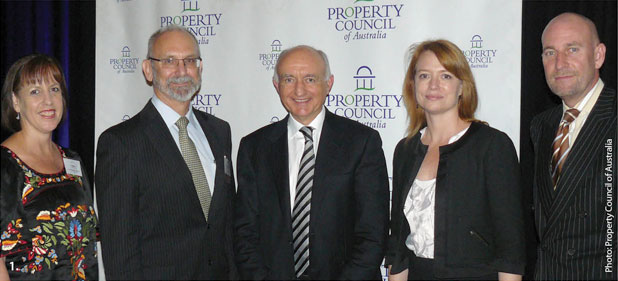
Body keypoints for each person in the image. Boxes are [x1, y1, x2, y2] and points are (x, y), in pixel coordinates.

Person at [234, 45, 389, 280]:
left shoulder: (361, 142)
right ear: (276, 85)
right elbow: (244, 232)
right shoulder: (254, 147)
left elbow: (373, 233)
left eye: (310, 79)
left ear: (329, 84)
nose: (299, 90)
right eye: (288, 79)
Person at [95, 25, 237, 279]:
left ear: (200, 68)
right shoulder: (121, 142)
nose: (182, 71)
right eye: (169, 61)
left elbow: (226, 225)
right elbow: (119, 249)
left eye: (190, 61)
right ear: (148, 70)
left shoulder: (219, 132)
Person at [386, 40, 526, 281]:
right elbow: (399, 245)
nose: (433, 85)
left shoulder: (492, 146)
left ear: (462, 86)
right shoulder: (405, 150)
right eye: (424, 75)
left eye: (446, 76)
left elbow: (510, 247)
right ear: (413, 86)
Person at [530, 12, 616, 280]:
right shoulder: (541, 126)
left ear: (598, 55)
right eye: (550, 53)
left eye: (573, 49)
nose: (560, 63)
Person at [0, 54, 98, 280]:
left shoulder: (72, 160)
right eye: (35, 91)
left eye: (54, 89)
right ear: (16, 101)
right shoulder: (5, 166)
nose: (48, 101)